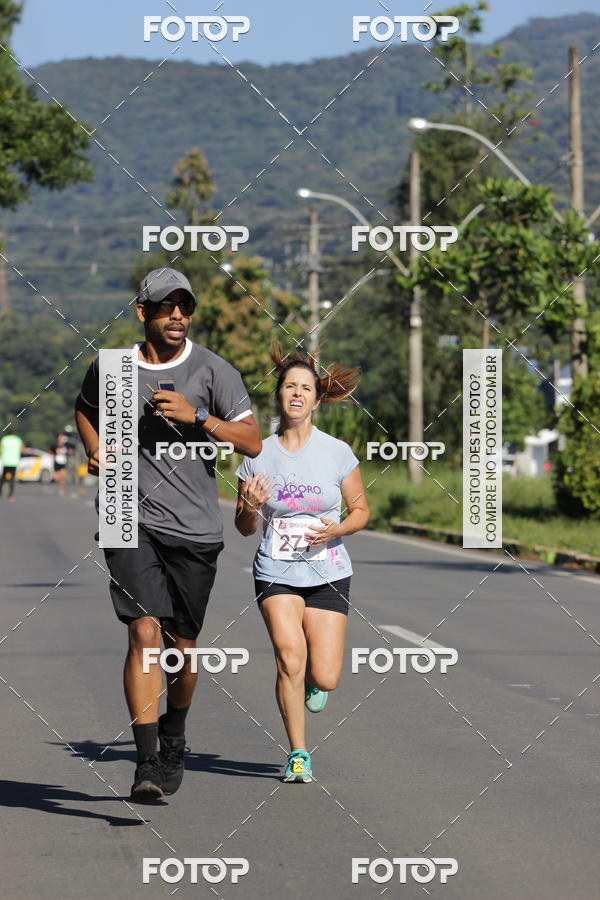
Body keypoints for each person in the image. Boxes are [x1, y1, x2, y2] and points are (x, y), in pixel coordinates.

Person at [75, 267, 261, 803]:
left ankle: (174, 730)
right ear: (143, 313)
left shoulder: (212, 370)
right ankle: (146, 761)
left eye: (186, 306)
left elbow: (250, 441)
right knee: (144, 634)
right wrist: (94, 447)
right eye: (166, 305)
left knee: (181, 651)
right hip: (125, 517)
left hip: (195, 529)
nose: (178, 314)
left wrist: (198, 416)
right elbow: (86, 410)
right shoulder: (111, 367)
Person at [235, 346, 369, 783]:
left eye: (305, 388)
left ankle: (315, 682)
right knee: (289, 658)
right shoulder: (257, 453)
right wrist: (251, 508)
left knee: (325, 677)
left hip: (328, 570)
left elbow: (362, 511)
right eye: (290, 386)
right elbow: (242, 526)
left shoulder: (336, 452)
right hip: (276, 570)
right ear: (279, 396)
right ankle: (298, 752)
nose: (297, 393)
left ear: (316, 399)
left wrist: (337, 531)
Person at [0, 431, 24, 502]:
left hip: (5, 461)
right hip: (14, 462)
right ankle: (10, 496)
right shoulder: (18, 440)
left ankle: (0, 495)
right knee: (12, 479)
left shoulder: (4, 439)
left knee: (3, 479)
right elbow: (22, 449)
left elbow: (1, 449)